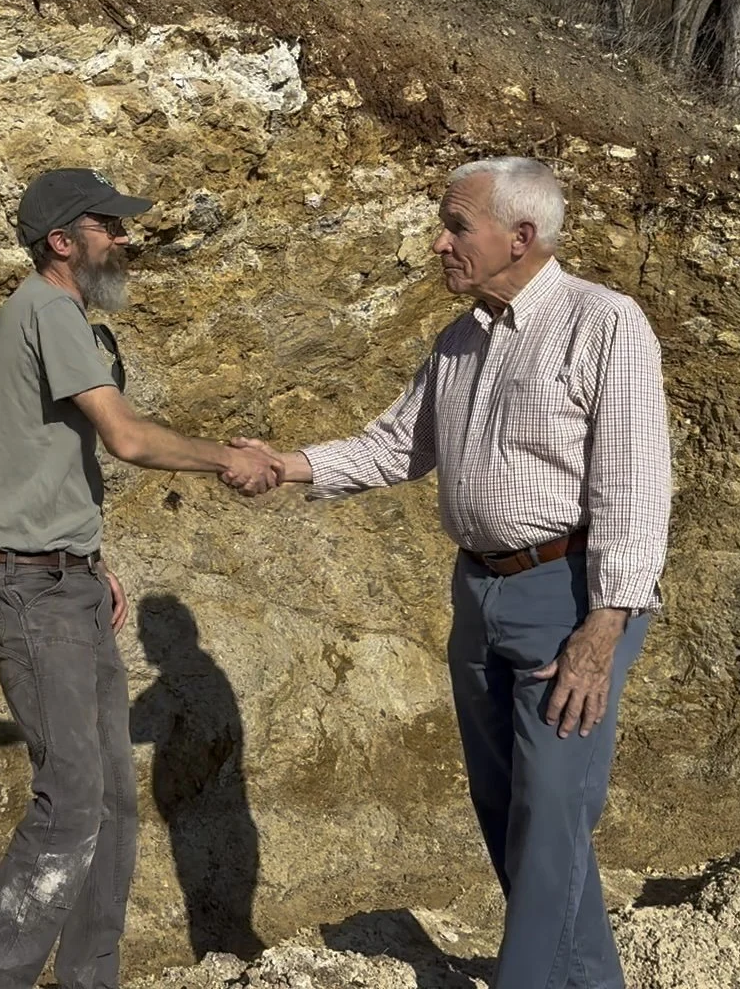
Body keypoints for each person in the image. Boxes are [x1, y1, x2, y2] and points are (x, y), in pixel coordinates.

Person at [240, 157, 670, 988]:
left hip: (571, 596)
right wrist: (286, 465)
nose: (438, 243)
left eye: (456, 227)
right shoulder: (460, 339)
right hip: (478, 592)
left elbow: (637, 485)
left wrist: (604, 628)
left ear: (520, 236)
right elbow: (397, 444)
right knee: (509, 811)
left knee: (552, 815)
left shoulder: (604, 322)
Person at [0, 168, 280, 989]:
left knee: (108, 810)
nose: (127, 240)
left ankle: (90, 980)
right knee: (70, 810)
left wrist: (88, 564)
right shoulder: (51, 310)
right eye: (110, 226)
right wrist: (228, 459)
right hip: (33, 590)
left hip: (62, 583)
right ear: (63, 242)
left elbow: (54, 465)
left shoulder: (61, 317)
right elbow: (128, 439)